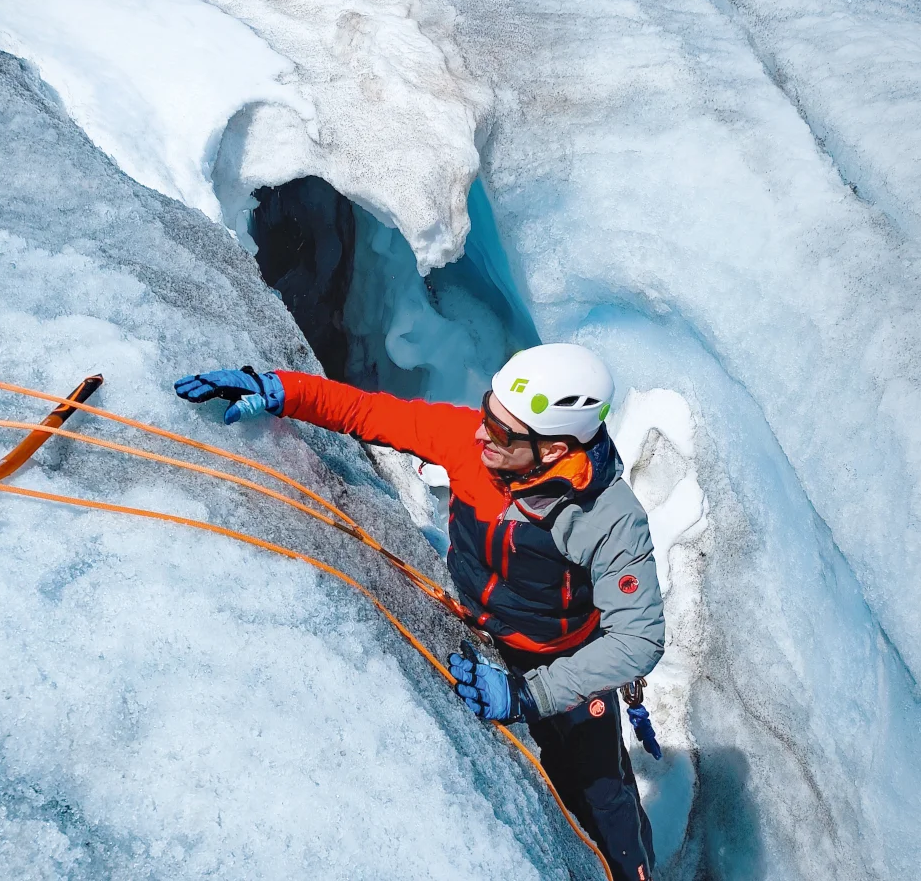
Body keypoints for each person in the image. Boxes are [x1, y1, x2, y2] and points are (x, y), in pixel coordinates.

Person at [174, 344, 663, 881]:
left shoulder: (609, 518)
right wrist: (279, 389)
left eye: (501, 433)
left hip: (564, 660)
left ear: (554, 449)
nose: (481, 435)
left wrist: (531, 694)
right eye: (487, 412)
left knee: (603, 798)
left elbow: (638, 639)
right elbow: (368, 412)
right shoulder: (473, 442)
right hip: (480, 631)